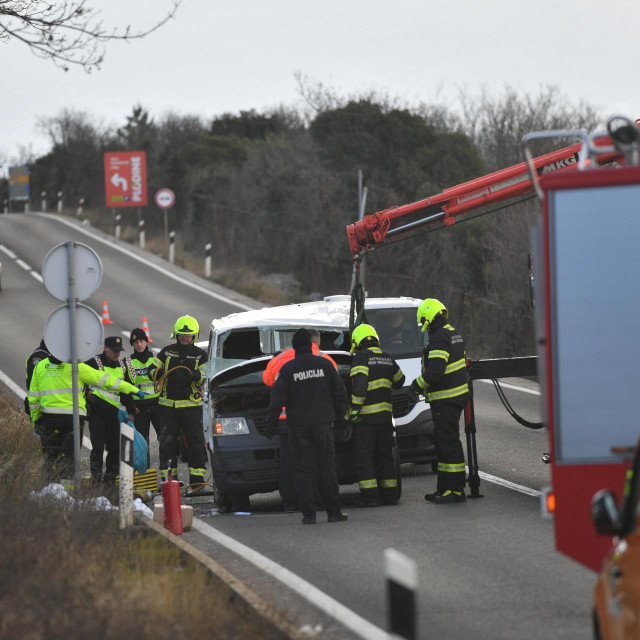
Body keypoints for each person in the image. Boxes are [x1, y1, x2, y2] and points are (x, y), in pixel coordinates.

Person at [266, 328, 348, 525]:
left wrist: (270, 427)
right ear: (311, 345)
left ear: (294, 347)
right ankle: (333, 512)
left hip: (298, 427)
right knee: (326, 468)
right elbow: (340, 394)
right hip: (322, 425)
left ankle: (309, 515)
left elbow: (276, 400)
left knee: (303, 469)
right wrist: (342, 421)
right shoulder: (325, 364)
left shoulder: (288, 369)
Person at [27, 353, 144, 480]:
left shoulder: (40, 366)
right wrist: (133, 389)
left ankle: (49, 492)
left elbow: (33, 399)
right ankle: (67, 493)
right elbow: (106, 380)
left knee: (50, 459)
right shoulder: (76, 367)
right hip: (72, 421)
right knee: (69, 461)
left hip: (49, 420)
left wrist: (36, 420)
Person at [410, 298, 469, 504]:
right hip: (453, 397)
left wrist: (416, 386)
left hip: (446, 399)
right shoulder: (453, 333)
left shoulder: (439, 338)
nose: (424, 328)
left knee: (448, 443)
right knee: (443, 443)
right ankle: (444, 488)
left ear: (428, 318)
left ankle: (455, 490)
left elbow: (435, 371)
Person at [147, 315, 208, 495]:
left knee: (195, 444)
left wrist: (198, 376)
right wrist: (157, 373)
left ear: (194, 336)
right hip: (168, 407)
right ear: (176, 334)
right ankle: (168, 480)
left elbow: (206, 374)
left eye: (188, 335)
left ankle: (197, 482)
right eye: (181, 335)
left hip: (191, 407)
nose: (184, 338)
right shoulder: (166, 352)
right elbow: (152, 368)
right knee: (167, 444)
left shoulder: (200, 355)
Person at [348, 324, 405, 507]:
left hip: (366, 419)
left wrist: (354, 410)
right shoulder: (387, 357)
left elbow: (359, 386)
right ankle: (390, 496)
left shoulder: (361, 358)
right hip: (385, 418)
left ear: (358, 342)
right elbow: (400, 381)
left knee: (364, 457)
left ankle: (370, 497)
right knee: (385, 456)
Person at [85, 336, 138, 485]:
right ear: (105, 348)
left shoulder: (121, 365)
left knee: (115, 448)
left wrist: (131, 410)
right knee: (98, 447)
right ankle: (96, 479)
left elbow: (125, 390)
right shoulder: (93, 362)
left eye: (118, 351)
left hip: (113, 413)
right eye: (113, 351)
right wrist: (87, 393)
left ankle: (110, 479)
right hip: (97, 413)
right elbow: (81, 379)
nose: (116, 354)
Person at [124, 327, 162, 469]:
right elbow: (125, 389)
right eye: (135, 342)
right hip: (139, 408)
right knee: (142, 442)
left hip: (158, 406)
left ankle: (167, 474)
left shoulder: (157, 358)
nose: (139, 345)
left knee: (164, 440)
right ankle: (144, 474)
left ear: (146, 342)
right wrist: (131, 410)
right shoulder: (127, 362)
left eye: (141, 341)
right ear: (132, 344)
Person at [24, 338, 51, 442]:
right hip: (40, 407)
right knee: (47, 443)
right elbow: (34, 386)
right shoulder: (38, 357)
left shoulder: (50, 355)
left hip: (49, 404)